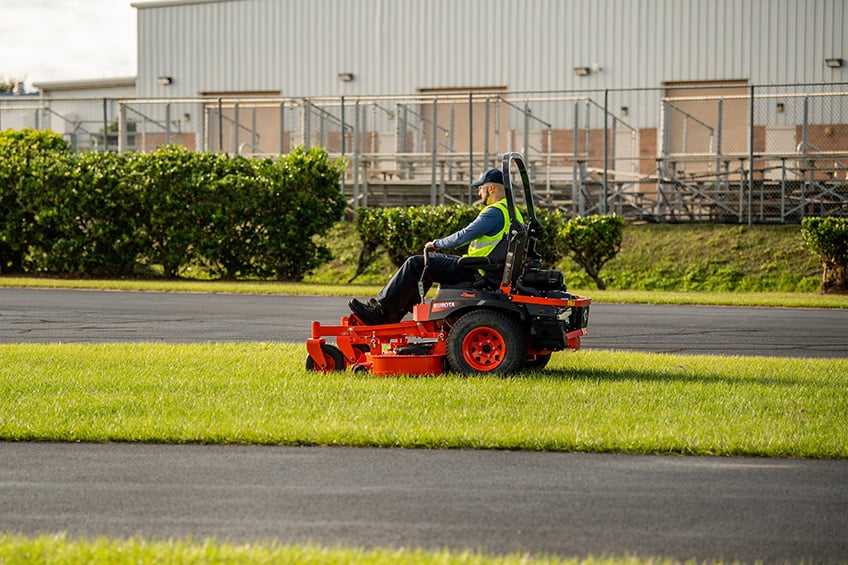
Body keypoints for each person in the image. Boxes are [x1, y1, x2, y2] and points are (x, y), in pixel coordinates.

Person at [348, 167, 522, 325]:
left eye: (480, 188)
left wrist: (437, 244)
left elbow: (464, 235)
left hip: (478, 270)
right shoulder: (513, 212)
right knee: (428, 266)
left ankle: (380, 311)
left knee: (416, 263)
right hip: (489, 269)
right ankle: (391, 314)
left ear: (490, 188)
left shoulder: (494, 212)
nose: (479, 193)